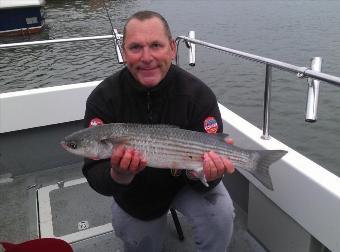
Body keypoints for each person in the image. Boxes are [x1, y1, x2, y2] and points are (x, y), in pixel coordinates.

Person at [82, 10, 235, 252]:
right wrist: (119, 175)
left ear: (172, 48)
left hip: (186, 184)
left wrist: (203, 174)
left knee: (221, 214)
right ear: (123, 52)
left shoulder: (198, 95)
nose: (147, 57)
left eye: (156, 45)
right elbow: (93, 172)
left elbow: (209, 169)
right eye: (135, 47)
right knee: (138, 241)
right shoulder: (104, 99)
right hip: (135, 192)